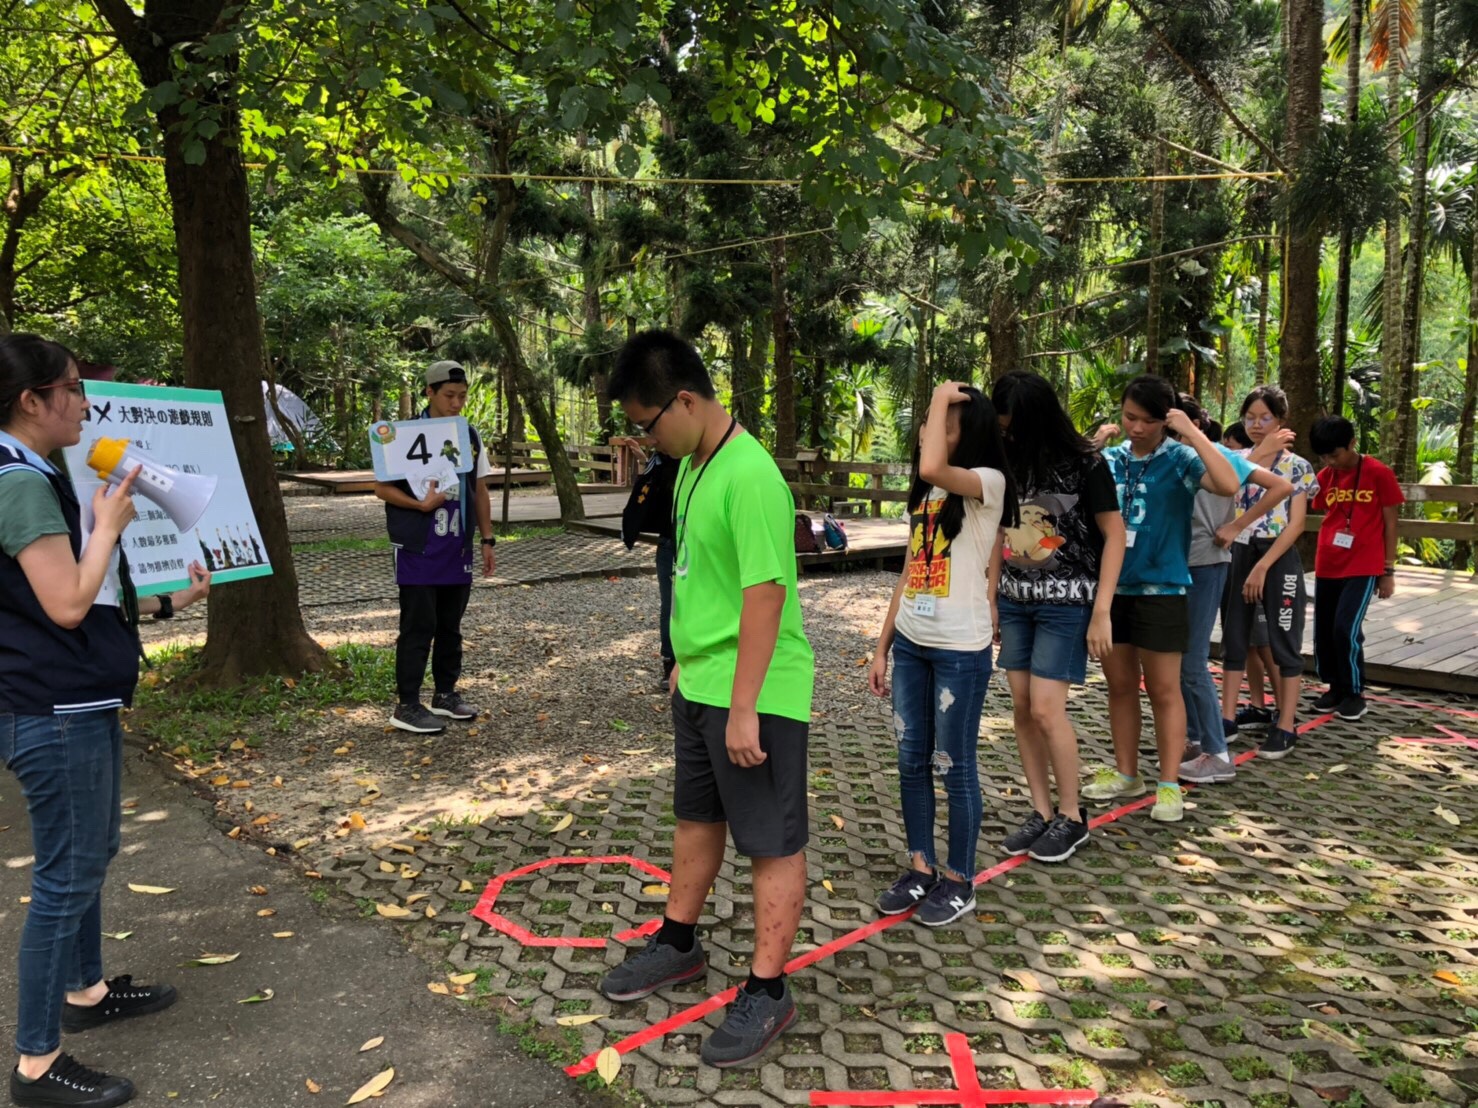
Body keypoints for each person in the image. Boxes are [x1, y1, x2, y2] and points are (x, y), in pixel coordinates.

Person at [0, 334, 211, 1108]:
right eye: (74, 389)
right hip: (51, 709)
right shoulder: (18, 482)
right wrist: (112, 523)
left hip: (66, 698)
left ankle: (85, 994)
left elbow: (59, 596)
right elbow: (64, 602)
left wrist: (170, 602)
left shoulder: (28, 472)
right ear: (34, 401)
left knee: (92, 853)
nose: (86, 405)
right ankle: (36, 1064)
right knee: (65, 876)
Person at [599, 331, 814, 1069]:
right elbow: (699, 574)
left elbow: (764, 593)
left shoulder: (750, 476)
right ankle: (679, 942)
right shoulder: (693, 464)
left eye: (648, 422)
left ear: (685, 401)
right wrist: (685, 662)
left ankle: (767, 987)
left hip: (756, 691)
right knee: (696, 818)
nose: (646, 437)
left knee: (770, 839)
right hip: (700, 681)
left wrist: (746, 703)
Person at [867, 382, 1018, 919]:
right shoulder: (927, 495)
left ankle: (960, 879)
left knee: (953, 766)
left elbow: (932, 465)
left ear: (970, 433)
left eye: (944, 426)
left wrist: (935, 395)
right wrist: (883, 646)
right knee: (910, 761)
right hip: (912, 645)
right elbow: (911, 571)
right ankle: (920, 868)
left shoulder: (988, 483)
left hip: (960, 651)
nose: (931, 434)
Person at [1080, 376, 1238, 822]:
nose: (1136, 428)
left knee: (1166, 691)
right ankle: (1127, 773)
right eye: (1130, 417)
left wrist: (1191, 432)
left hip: (1164, 590)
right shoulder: (1110, 461)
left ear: (1166, 420)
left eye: (1148, 421)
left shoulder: (1183, 458)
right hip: (1113, 591)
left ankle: (1169, 786)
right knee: (1121, 687)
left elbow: (1228, 485)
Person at [987, 372, 1124, 864]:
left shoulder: (1087, 464)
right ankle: (1041, 812)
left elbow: (1115, 535)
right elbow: (998, 535)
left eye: (1014, 426)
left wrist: (1102, 611)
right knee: (1022, 708)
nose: (1008, 434)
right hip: (1015, 601)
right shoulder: (1003, 462)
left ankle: (1072, 815)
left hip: (1066, 603)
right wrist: (992, 601)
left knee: (1047, 709)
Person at [1174, 394, 1292, 785]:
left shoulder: (1216, 455)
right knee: (1175, 662)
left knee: (1193, 661)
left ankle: (1217, 751)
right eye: (1250, 417)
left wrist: (1236, 526)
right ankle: (1194, 740)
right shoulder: (1166, 458)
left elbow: (1281, 487)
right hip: (1172, 567)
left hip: (1207, 563)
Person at [374, 360, 495, 734]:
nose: (456, 404)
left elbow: (479, 488)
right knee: (418, 624)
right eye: (449, 396)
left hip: (457, 544)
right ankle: (407, 703)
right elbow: (382, 488)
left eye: (462, 397)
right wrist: (420, 505)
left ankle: (445, 694)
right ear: (429, 393)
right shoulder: (401, 434)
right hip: (418, 545)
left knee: (450, 625)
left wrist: (487, 539)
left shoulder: (469, 435)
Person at [1217, 385, 1319, 760]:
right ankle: (1226, 717)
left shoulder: (1299, 467)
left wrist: (1263, 566)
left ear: (1282, 422)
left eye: (1265, 418)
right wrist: (1257, 454)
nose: (1256, 425)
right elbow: (1228, 492)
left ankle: (1286, 724)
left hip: (1277, 557)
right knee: (1234, 635)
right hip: (1237, 550)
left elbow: (1295, 525)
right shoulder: (1236, 458)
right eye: (1250, 418)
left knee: (1284, 640)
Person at [1309, 416, 1402, 721]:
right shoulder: (1326, 477)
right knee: (1324, 630)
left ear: (1352, 444)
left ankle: (1354, 691)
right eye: (1323, 457)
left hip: (1364, 565)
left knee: (1345, 628)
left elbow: (1390, 524)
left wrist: (1388, 571)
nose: (1329, 462)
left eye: (1334, 455)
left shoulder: (1378, 473)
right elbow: (1321, 508)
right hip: (1328, 562)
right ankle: (1334, 687)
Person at [611, 434, 679, 688]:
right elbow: (646, 483)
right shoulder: (660, 460)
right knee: (670, 605)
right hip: (669, 543)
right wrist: (642, 457)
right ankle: (669, 664)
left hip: (694, 542)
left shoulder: (699, 462)